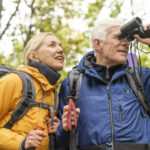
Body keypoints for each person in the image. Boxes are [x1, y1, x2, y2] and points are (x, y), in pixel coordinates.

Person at [56, 18, 150, 150]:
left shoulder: (142, 77)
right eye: (119, 37)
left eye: (128, 38)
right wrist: (64, 129)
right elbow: (60, 143)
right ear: (98, 44)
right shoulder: (72, 83)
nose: (126, 43)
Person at [0, 32, 65, 150]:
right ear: (33, 56)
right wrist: (21, 142)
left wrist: (57, 131)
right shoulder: (14, 81)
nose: (60, 50)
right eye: (52, 45)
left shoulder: (52, 93)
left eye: (61, 46)